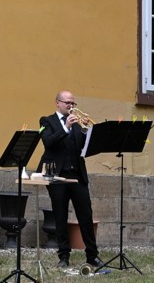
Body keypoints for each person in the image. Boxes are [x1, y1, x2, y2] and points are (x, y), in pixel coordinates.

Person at [37, 90, 103, 269]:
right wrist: (65, 127)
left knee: (86, 215)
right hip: (57, 175)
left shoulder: (77, 124)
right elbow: (48, 142)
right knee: (60, 215)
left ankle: (92, 255)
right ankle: (64, 256)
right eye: (67, 103)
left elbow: (84, 148)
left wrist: (86, 131)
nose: (71, 106)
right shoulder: (47, 121)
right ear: (57, 103)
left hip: (77, 175)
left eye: (73, 103)